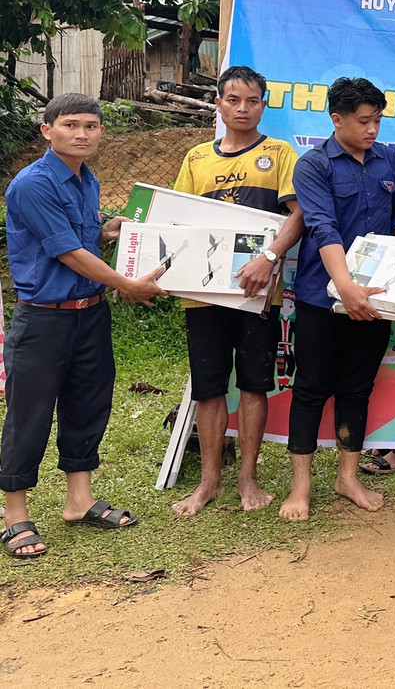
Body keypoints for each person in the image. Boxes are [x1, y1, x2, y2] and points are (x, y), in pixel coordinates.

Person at [2, 95, 167, 559]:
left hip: (90, 313)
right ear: (46, 130)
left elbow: (84, 232)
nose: (82, 133)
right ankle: (15, 516)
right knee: (28, 415)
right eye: (70, 124)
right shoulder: (31, 184)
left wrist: (112, 228)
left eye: (91, 126)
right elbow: (67, 251)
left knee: (88, 404)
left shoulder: (85, 179)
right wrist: (128, 284)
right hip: (43, 320)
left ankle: (79, 501)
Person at [278, 77, 395, 521]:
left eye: (378, 120)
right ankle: (300, 487)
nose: (373, 129)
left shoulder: (389, 161)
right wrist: (346, 288)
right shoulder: (313, 165)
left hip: (376, 295)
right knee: (309, 389)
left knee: (357, 388)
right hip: (323, 298)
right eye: (364, 121)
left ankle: (347, 477)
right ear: (337, 119)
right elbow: (322, 228)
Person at [169, 65, 305, 516]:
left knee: (253, 385)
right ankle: (209, 481)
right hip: (202, 294)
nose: (243, 108)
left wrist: (267, 260)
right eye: (233, 100)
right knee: (208, 388)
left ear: (264, 105)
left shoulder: (280, 153)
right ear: (218, 105)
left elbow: (298, 214)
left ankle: (248, 478)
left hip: (257, 294)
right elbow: (175, 220)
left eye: (253, 101)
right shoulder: (195, 159)